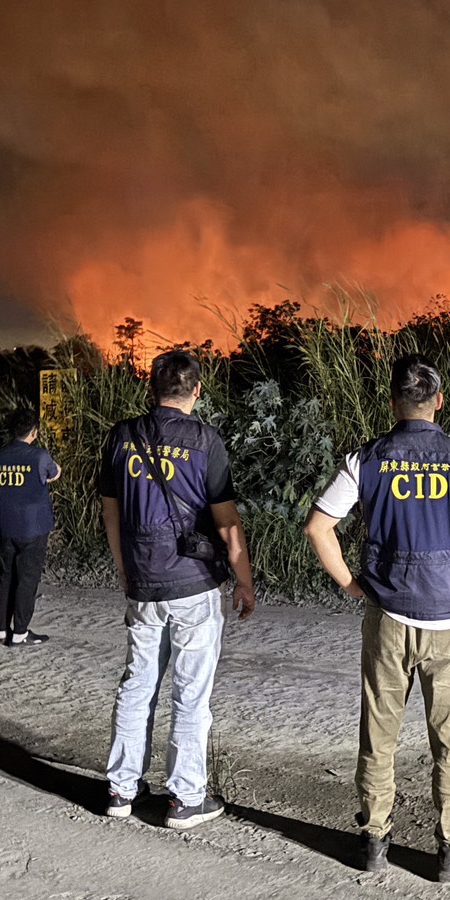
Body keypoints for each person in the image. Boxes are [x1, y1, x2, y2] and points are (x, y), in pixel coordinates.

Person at [304, 353, 450, 884]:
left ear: (393, 404)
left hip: (388, 616)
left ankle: (373, 840)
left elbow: (318, 528)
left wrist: (352, 585)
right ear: (439, 402)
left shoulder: (366, 460)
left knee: (379, 735)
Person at [99, 349, 256, 827]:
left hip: (143, 581)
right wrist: (244, 580)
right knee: (190, 693)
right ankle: (186, 798)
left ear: (152, 386)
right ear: (197, 391)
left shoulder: (122, 437)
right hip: (193, 583)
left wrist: (125, 569)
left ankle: (120, 790)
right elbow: (226, 522)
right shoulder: (205, 441)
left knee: (137, 682)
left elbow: (111, 512)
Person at [0, 408, 61, 647]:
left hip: (7, 525)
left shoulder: (0, 456)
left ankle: (2, 630)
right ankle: (20, 633)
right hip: (33, 527)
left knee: (6, 576)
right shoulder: (38, 456)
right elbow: (52, 473)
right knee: (27, 579)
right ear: (34, 432)